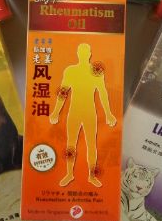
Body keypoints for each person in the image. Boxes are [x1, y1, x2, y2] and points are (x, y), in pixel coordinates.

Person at [49, 43, 116, 188]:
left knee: (91, 144)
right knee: (71, 144)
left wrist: (108, 113)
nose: (84, 54)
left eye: (86, 52)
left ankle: (92, 176)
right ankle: (69, 174)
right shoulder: (71, 71)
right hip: (74, 111)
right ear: (78, 54)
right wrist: (56, 111)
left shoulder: (96, 72)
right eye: (82, 52)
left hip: (89, 112)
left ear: (89, 54)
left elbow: (103, 93)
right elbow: (63, 92)